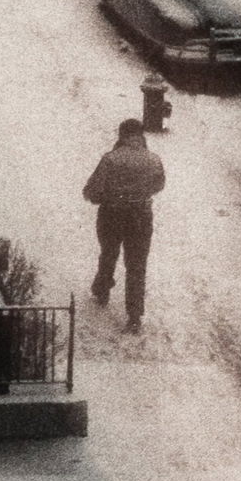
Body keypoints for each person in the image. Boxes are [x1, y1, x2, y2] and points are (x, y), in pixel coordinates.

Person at [83, 116, 166, 331]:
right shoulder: (154, 159)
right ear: (141, 135)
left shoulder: (110, 159)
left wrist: (104, 197)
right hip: (141, 216)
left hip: (112, 213)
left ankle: (102, 289)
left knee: (108, 252)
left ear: (121, 135)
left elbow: (93, 190)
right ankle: (135, 315)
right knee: (137, 265)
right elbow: (159, 184)